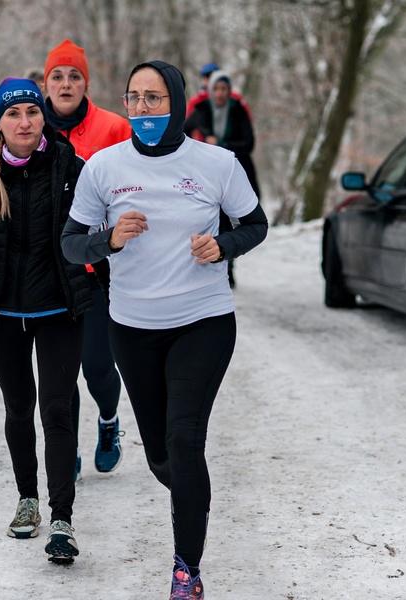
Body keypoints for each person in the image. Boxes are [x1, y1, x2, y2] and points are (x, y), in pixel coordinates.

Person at [61, 60, 268, 599]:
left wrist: (223, 245)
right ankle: (190, 492)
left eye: (155, 98)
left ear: (177, 101)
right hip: (132, 328)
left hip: (203, 320)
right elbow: (70, 243)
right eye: (134, 98)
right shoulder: (103, 168)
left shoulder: (217, 163)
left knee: (184, 438)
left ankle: (186, 571)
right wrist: (107, 240)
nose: (144, 109)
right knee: (162, 459)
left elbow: (255, 224)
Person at [0, 77, 90, 564]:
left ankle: (62, 519)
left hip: (58, 310)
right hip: (2, 313)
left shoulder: (73, 168)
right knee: (17, 408)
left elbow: (95, 231)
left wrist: (95, 281)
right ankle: (27, 499)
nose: (25, 121)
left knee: (56, 409)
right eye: (14, 114)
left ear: (43, 115)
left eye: (32, 111)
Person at [43, 38, 132, 480]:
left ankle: (109, 421)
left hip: (99, 269)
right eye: (57, 75)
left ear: (86, 83)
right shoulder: (30, 128)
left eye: (74, 75)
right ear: (46, 82)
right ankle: (70, 448)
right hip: (50, 271)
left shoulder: (114, 128)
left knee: (98, 364)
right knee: (63, 371)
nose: (65, 83)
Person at [185, 70, 261, 288]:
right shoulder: (201, 110)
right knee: (214, 219)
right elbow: (182, 133)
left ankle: (230, 267)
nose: (219, 93)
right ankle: (215, 264)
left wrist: (221, 145)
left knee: (232, 220)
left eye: (224, 89)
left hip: (236, 172)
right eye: (216, 89)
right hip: (206, 175)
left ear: (229, 91)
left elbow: (249, 143)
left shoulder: (238, 112)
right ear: (210, 91)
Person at [186, 62, 252, 123]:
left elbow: (247, 119)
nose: (211, 79)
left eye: (214, 75)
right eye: (207, 76)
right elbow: (188, 125)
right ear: (203, 79)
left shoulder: (235, 98)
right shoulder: (195, 102)